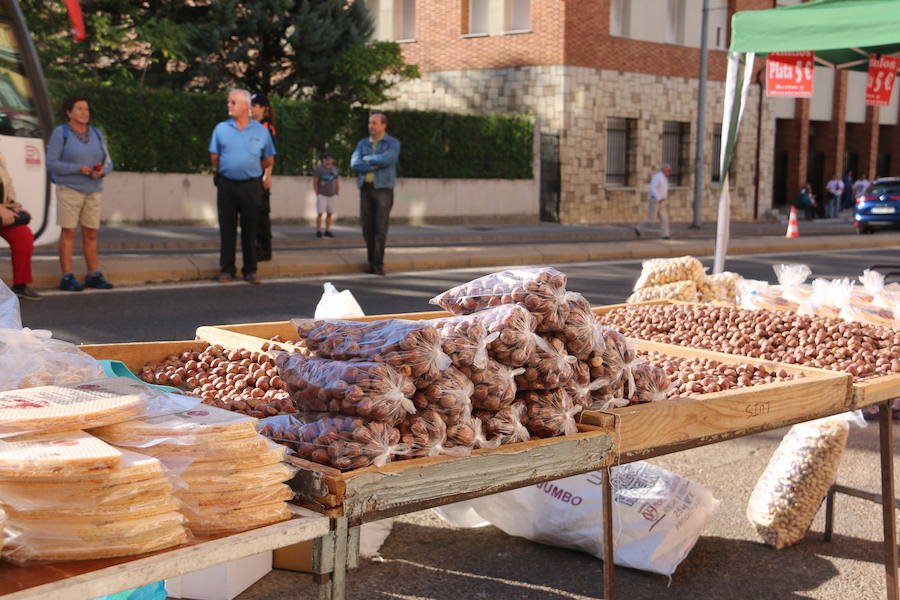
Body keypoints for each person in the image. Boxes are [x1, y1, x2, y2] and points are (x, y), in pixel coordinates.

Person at [46, 96, 114, 292]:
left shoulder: (97, 133)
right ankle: (67, 276)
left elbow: (109, 162)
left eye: (86, 109)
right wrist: (78, 169)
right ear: (69, 112)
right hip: (69, 189)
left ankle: (93, 274)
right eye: (79, 109)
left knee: (91, 233)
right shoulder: (61, 133)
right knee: (68, 232)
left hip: (94, 190)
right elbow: (51, 162)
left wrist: (103, 171)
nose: (84, 112)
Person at [209, 89, 276, 285]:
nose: (229, 105)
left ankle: (250, 269)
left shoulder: (261, 131)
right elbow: (215, 157)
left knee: (250, 228)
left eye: (233, 102)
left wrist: (252, 169)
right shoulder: (221, 128)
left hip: (251, 186)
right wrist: (230, 168)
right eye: (229, 102)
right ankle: (227, 269)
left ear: (245, 106)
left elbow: (269, 158)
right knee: (227, 228)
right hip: (227, 184)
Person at [351, 113, 400, 275]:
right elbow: (354, 163)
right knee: (367, 227)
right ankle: (371, 261)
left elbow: (389, 160)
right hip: (366, 188)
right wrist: (374, 164)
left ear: (384, 125)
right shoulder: (362, 143)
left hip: (383, 189)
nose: (371, 126)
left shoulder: (392, 143)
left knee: (380, 227)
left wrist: (368, 159)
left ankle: (378, 263)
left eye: (375, 123)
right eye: (369, 122)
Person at [0, 153, 39, 300]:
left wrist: (11, 205)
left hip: (3, 213)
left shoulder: (1, 159)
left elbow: (6, 186)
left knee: (23, 235)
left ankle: (20, 285)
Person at [250, 93, 275, 262]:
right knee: (253, 213)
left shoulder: (267, 127)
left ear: (263, 108)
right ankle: (256, 246)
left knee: (262, 214)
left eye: (254, 106)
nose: (251, 109)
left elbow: (270, 154)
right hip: (251, 174)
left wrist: (267, 175)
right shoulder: (252, 126)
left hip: (261, 175)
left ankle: (264, 250)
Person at [634, 164, 671, 240]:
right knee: (652, 220)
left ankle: (665, 235)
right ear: (664, 170)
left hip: (662, 201)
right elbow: (652, 188)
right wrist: (659, 198)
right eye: (668, 170)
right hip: (655, 200)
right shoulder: (658, 177)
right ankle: (638, 228)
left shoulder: (664, 178)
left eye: (670, 170)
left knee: (664, 218)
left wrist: (663, 199)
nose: (669, 172)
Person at [313, 152, 339, 238]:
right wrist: (317, 192)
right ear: (324, 160)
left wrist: (337, 192)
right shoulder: (319, 169)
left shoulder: (335, 169)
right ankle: (318, 230)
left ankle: (328, 230)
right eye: (327, 159)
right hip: (322, 194)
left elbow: (337, 180)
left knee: (330, 213)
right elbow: (315, 181)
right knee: (320, 213)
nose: (328, 160)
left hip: (332, 194)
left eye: (330, 159)